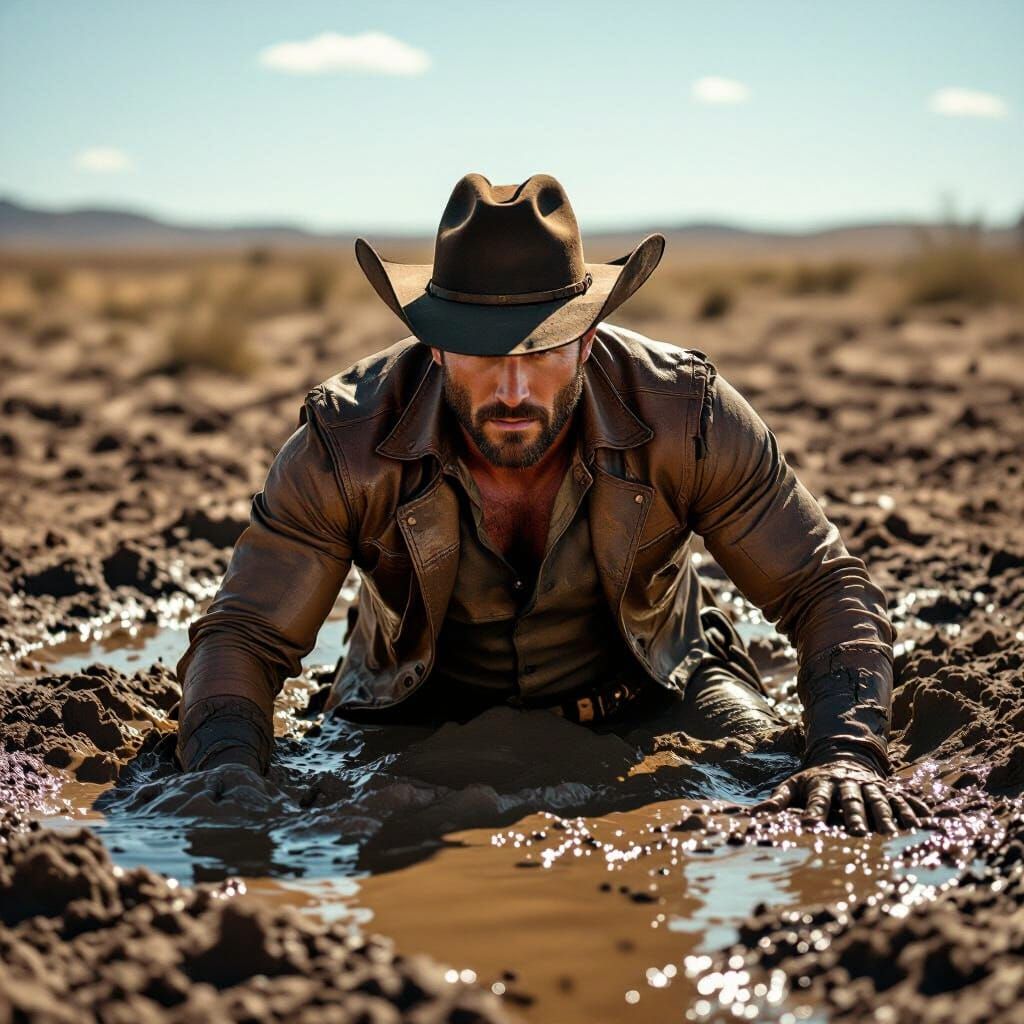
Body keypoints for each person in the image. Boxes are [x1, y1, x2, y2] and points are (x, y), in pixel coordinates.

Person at [174, 172, 928, 836]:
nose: (512, 390)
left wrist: (848, 754)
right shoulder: (346, 441)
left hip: (662, 685)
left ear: (589, 339)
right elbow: (245, 633)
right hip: (415, 708)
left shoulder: (686, 413)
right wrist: (226, 766)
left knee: (784, 786)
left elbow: (821, 586)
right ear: (433, 345)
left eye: (539, 350)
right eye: (481, 352)